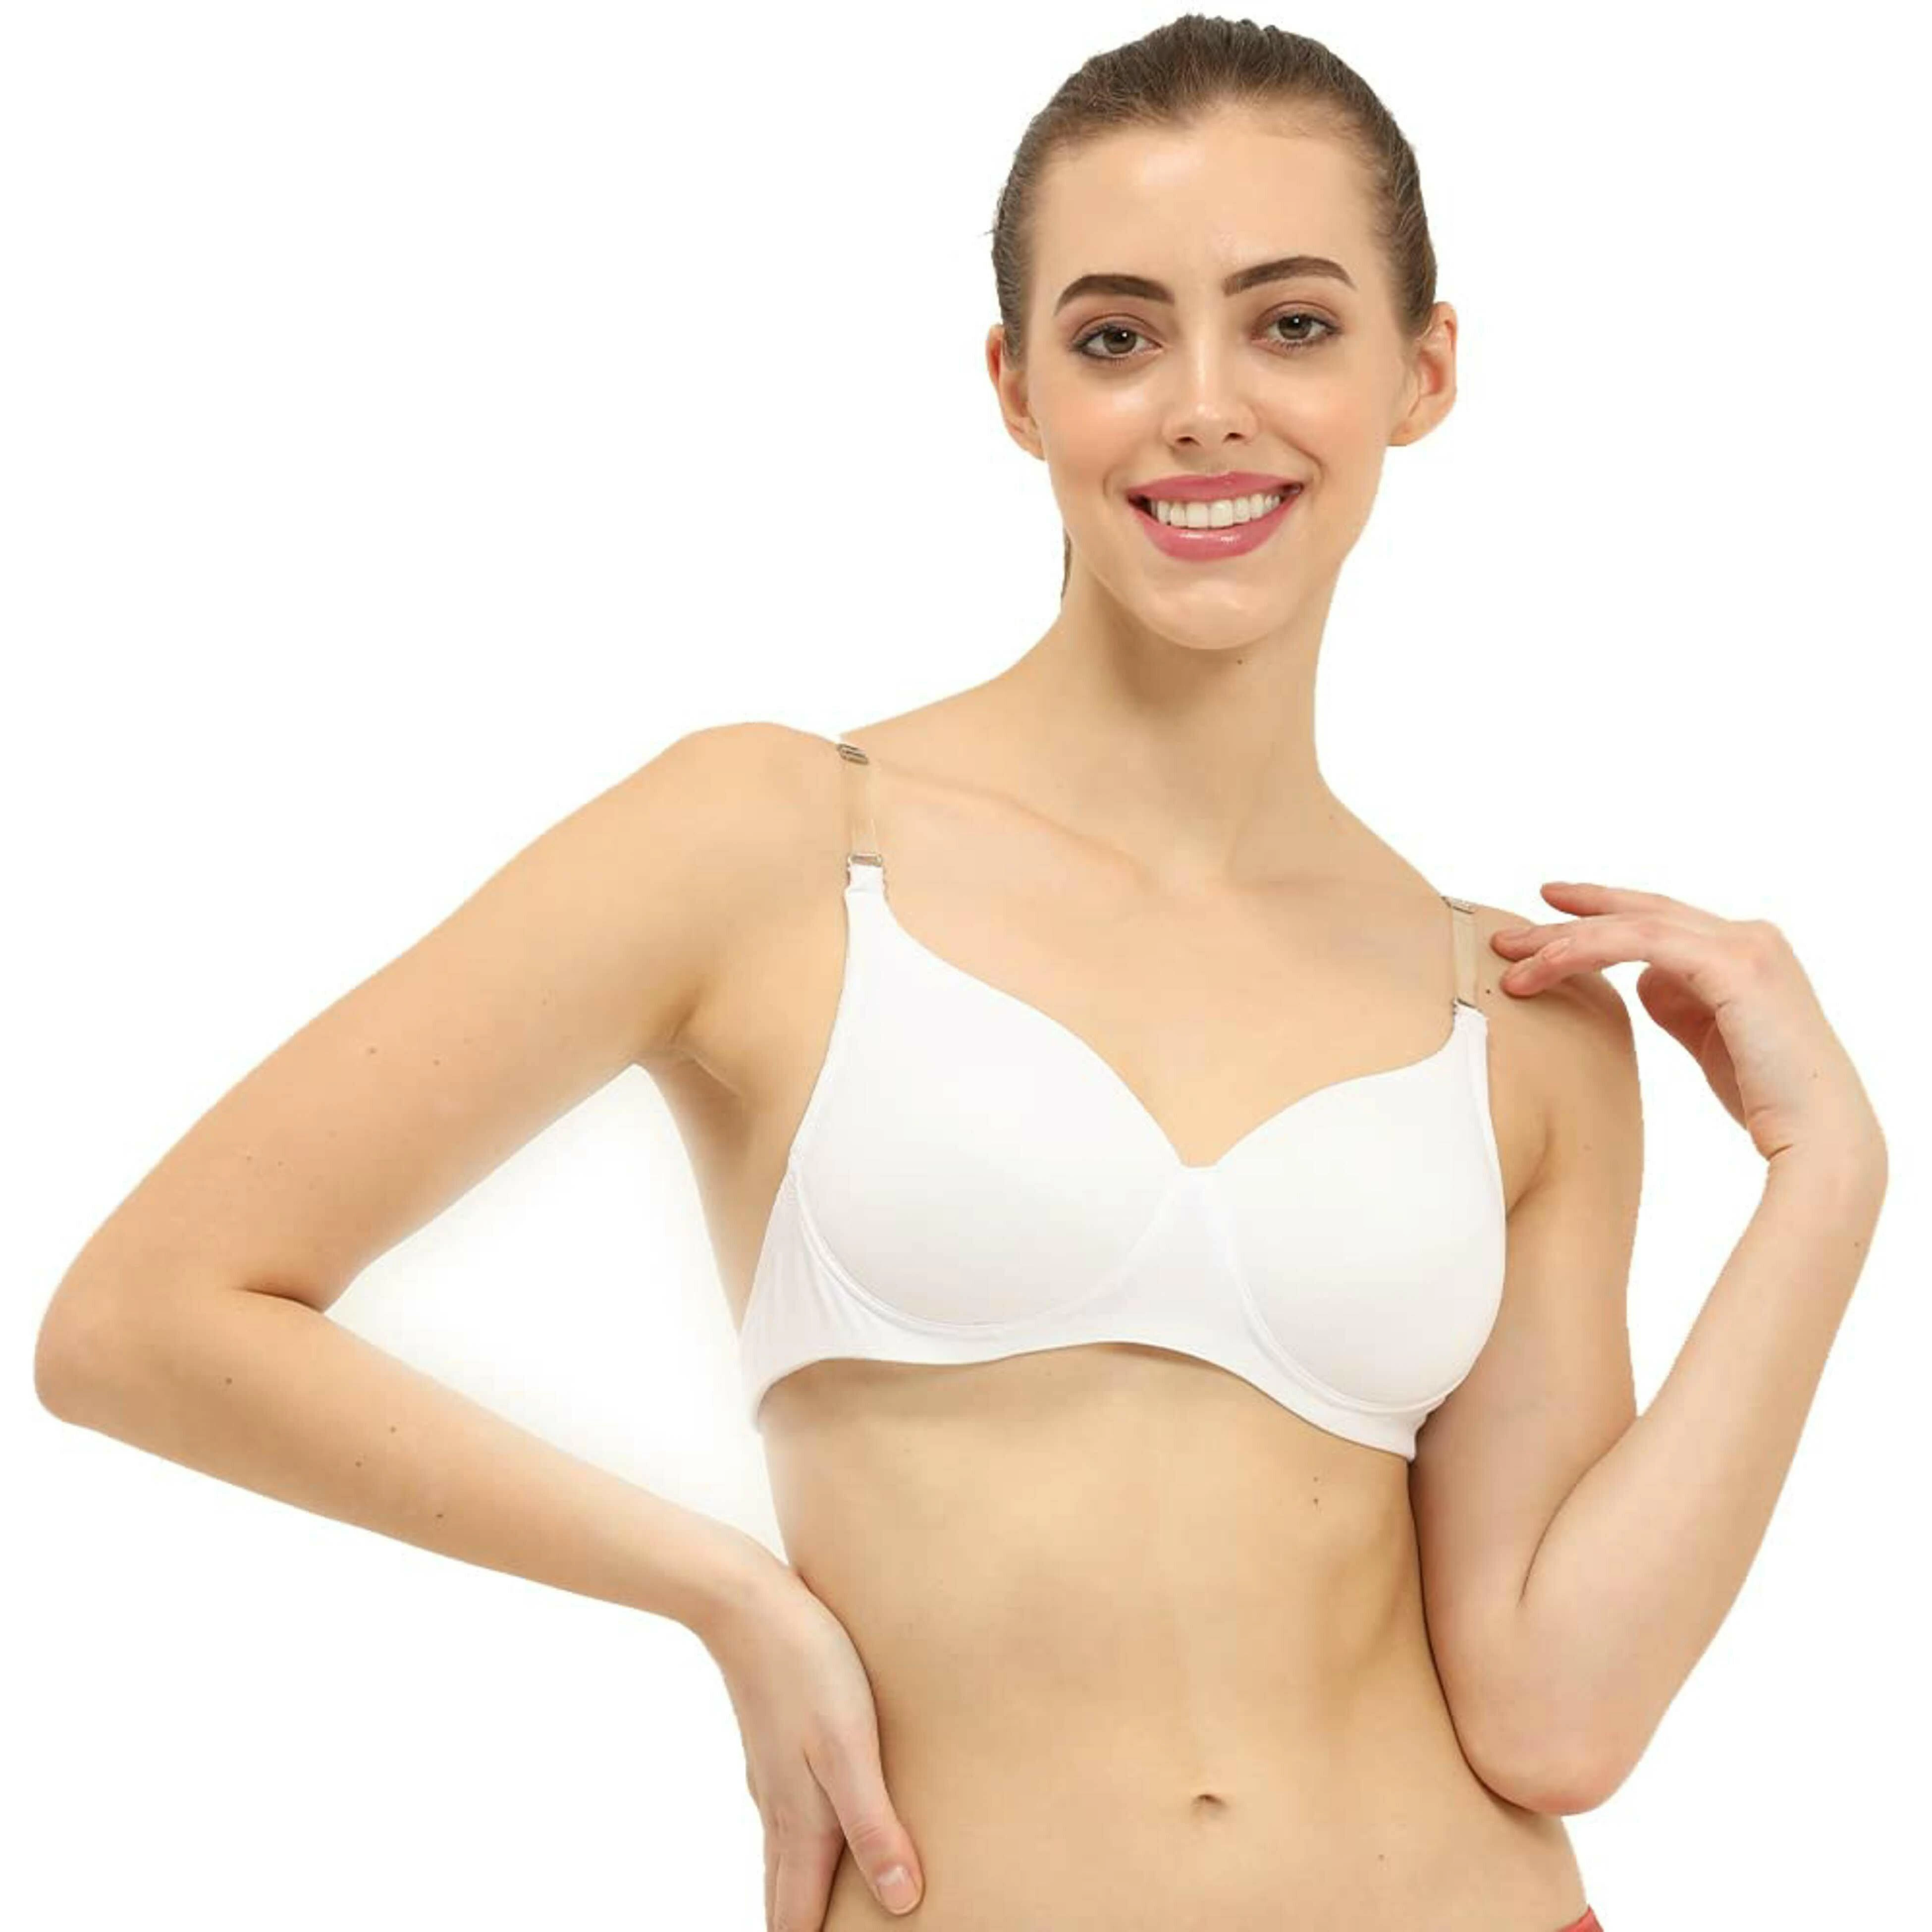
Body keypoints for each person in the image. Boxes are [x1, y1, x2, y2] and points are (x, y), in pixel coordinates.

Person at [32, 16, 1887, 1932]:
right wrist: (725, 1591)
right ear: (1015, 386)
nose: (1203, 407)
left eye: (1291, 324)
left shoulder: (1513, 1010)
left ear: (1419, 371)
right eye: (1116, 336)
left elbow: (1556, 1719)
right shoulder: (775, 841)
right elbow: (144, 1317)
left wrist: (1824, 1179)